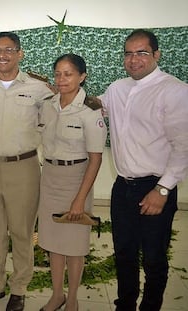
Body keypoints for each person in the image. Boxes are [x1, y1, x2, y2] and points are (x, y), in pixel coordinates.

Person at [100, 29, 188, 311]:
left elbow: (183, 145)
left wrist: (162, 189)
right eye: (128, 53)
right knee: (124, 254)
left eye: (141, 53)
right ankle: (124, 304)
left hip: (155, 187)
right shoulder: (117, 89)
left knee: (153, 257)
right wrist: (62, 91)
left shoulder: (173, 91)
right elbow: (96, 105)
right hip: (122, 187)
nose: (133, 59)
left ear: (156, 55)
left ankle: (150, 306)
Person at [0, 32, 54, 311]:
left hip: (24, 167)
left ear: (19, 53)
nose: (1, 55)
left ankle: (19, 288)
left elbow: (55, 116)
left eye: (8, 50)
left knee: (21, 232)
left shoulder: (38, 88)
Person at [37, 54, 107, 311]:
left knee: (75, 245)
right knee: (54, 242)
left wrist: (80, 199)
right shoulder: (48, 105)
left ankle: (73, 299)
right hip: (50, 178)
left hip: (77, 179)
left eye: (68, 74)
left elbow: (96, 159)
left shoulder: (90, 110)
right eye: (57, 74)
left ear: (82, 76)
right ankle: (57, 295)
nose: (61, 79)